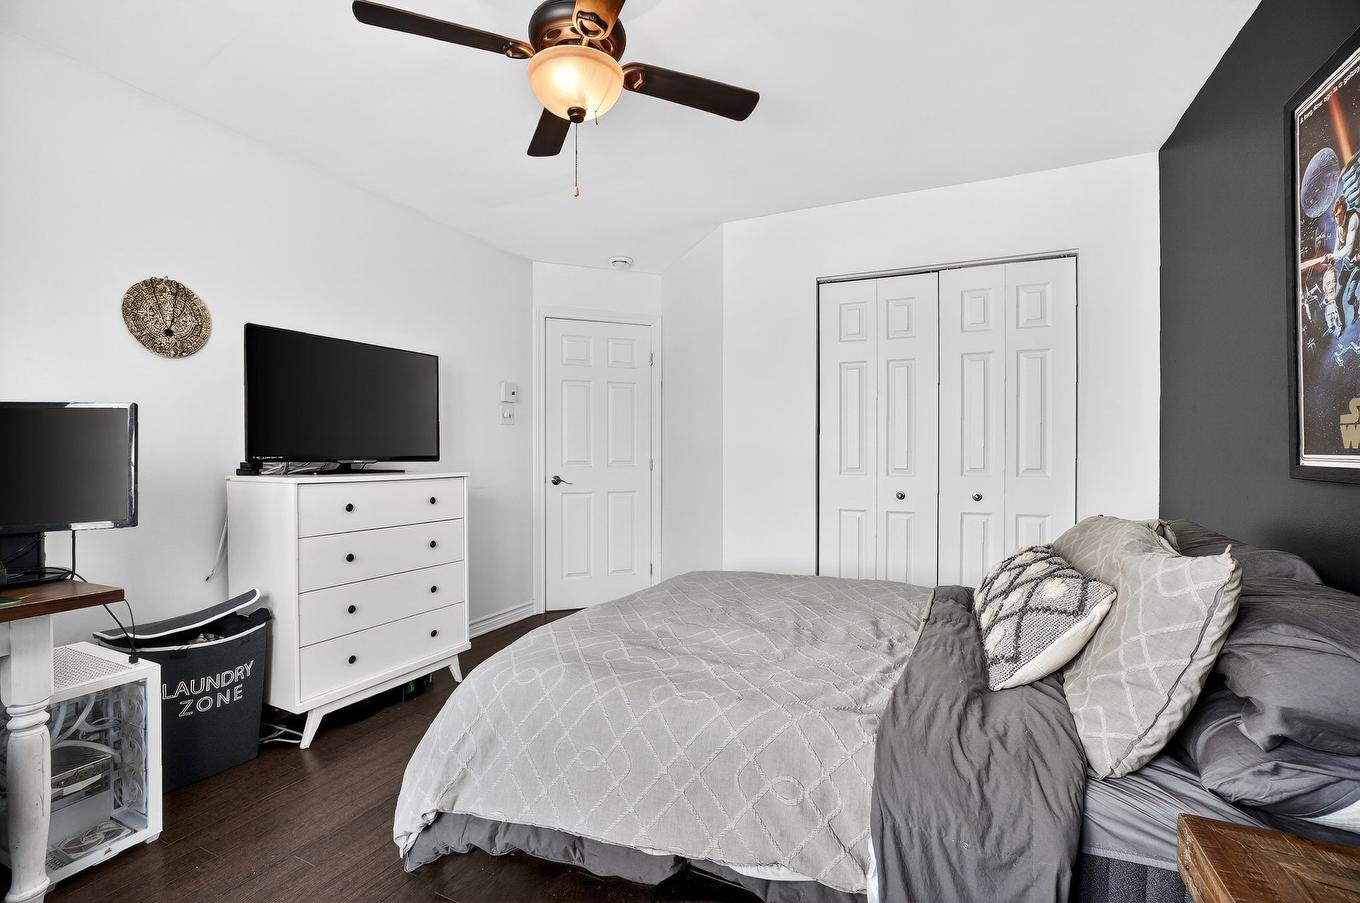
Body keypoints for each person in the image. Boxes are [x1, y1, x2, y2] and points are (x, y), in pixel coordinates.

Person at [1326, 196, 1360, 325]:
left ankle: (1356, 307)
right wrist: (1333, 257)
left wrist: (1334, 257)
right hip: (1347, 263)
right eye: (1335, 216)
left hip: (1358, 263)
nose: (1337, 219)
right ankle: (1342, 325)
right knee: (1337, 297)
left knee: (1350, 298)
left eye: (1339, 215)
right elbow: (1338, 245)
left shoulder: (1354, 218)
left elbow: (1349, 248)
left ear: (1344, 212)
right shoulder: (1338, 224)